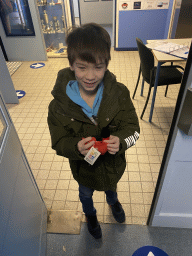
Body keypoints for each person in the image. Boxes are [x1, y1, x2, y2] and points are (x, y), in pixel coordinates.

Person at [47, 23, 140, 239]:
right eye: (82, 67)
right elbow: (58, 141)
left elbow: (133, 128)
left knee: (111, 187)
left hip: (112, 167)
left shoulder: (120, 94)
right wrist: (76, 147)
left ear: (106, 64)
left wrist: (123, 141)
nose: (90, 76)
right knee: (85, 194)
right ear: (71, 64)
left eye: (98, 67)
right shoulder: (58, 106)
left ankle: (113, 201)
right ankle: (90, 215)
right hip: (84, 171)